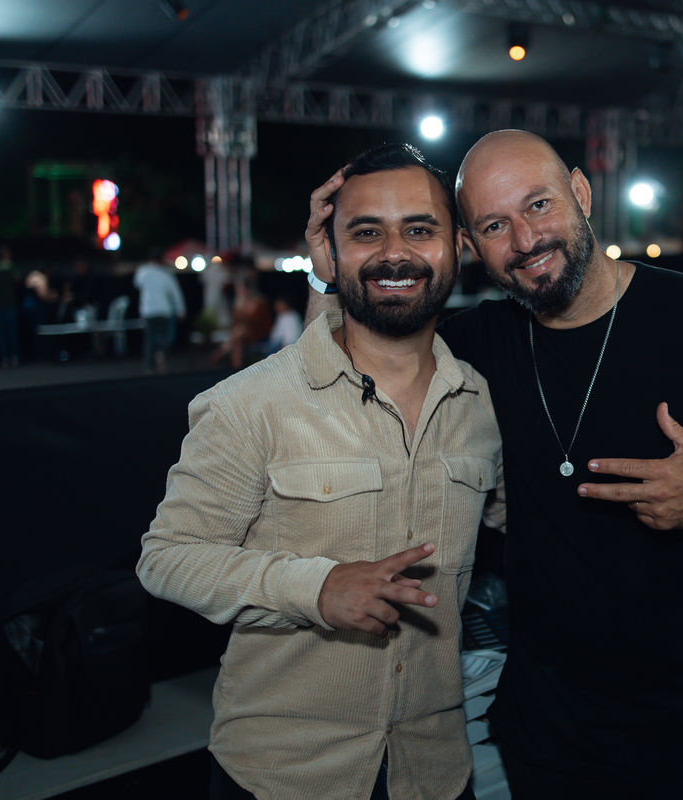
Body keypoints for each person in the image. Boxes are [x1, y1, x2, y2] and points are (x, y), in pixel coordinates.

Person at [304, 130, 683, 799]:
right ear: (470, 245)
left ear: (581, 192)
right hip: (547, 746)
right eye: (495, 225)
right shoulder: (476, 346)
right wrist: (325, 273)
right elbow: (333, 388)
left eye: (538, 205)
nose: (525, 240)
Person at [138, 143, 502, 800]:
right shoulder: (252, 403)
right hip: (284, 776)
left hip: (435, 772)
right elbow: (167, 559)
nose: (395, 254)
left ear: (459, 246)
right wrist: (316, 587)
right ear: (330, 256)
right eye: (366, 233)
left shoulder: (484, 404)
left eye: (420, 229)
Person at [133, 247, 186, 373]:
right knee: (163, 338)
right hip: (162, 311)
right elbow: (176, 294)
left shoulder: (143, 272)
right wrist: (181, 310)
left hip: (150, 311)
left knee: (151, 340)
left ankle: (150, 367)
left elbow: (137, 283)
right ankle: (159, 360)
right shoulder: (165, 273)